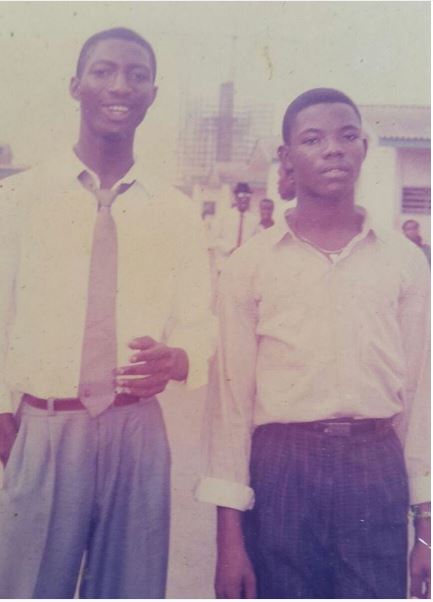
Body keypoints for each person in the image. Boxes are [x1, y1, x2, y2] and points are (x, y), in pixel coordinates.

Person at [0, 27, 213, 599]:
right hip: (47, 426)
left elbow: (198, 322)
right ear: (75, 86)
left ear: (152, 93)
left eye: (137, 75)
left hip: (138, 430)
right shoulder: (17, 199)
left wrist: (178, 358)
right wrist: (12, 436)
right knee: (25, 589)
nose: (120, 85)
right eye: (103, 71)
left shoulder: (174, 211)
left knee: (132, 590)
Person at [196, 88, 430, 599]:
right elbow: (231, 409)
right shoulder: (250, 265)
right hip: (282, 468)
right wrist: (229, 541)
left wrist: (426, 528)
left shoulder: (404, 263)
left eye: (348, 136)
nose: (333, 149)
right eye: (313, 139)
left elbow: (420, 397)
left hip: (375, 465)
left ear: (364, 148)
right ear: (286, 157)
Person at [213, 182, 258, 272]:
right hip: (225, 263)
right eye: (241, 196)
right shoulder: (224, 217)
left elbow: (256, 241)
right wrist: (231, 249)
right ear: (236, 197)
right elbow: (215, 239)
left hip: (245, 266)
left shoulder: (254, 220)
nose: (244, 199)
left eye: (247, 196)